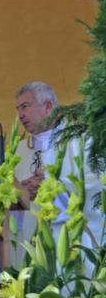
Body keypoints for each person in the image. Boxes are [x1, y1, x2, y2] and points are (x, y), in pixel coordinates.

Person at [12, 82, 103, 256]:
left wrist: (53, 186)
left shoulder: (81, 140)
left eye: (25, 106)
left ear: (48, 106)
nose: (20, 115)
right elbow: (14, 203)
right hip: (34, 243)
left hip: (74, 239)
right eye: (18, 109)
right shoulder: (20, 150)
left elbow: (97, 184)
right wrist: (21, 191)